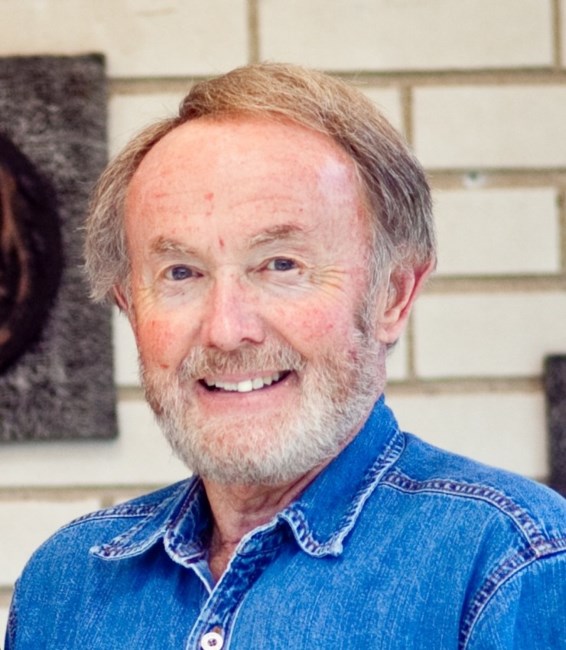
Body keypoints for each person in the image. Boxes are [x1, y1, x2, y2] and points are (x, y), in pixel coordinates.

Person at [5, 63, 566, 650]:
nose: (226, 331)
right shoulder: (67, 587)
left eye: (280, 265)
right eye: (181, 272)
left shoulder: (509, 565)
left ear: (393, 295)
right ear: (127, 304)